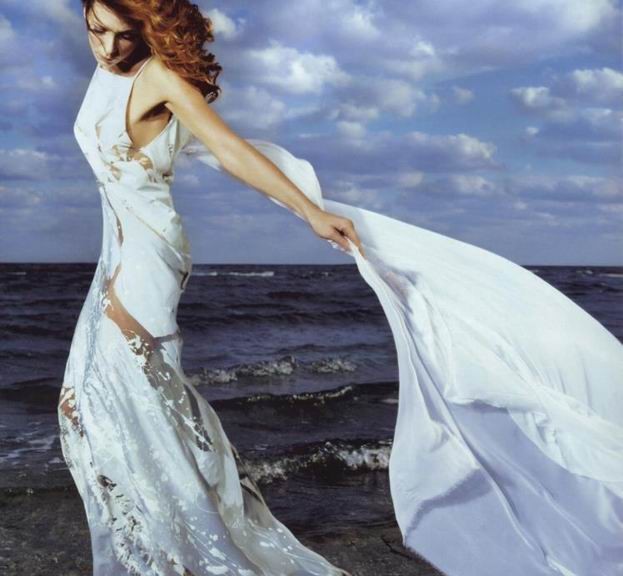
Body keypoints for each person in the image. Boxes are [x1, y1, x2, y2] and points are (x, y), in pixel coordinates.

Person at [59, 1, 623, 575]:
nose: (108, 47)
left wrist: (310, 211)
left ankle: (191, 551)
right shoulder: (110, 74)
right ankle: (166, 543)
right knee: (85, 405)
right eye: (96, 30)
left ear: (147, 30)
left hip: (145, 256)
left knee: (135, 401)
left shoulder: (158, 76)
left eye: (124, 35)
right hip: (115, 253)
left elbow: (231, 149)